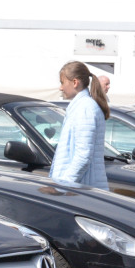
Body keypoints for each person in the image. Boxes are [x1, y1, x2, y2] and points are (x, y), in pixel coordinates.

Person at [49, 60, 109, 191]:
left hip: (81, 191)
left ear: (75, 82)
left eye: (62, 82)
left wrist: (62, 186)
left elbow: (83, 156)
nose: (60, 88)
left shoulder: (85, 108)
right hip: (79, 189)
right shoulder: (81, 107)